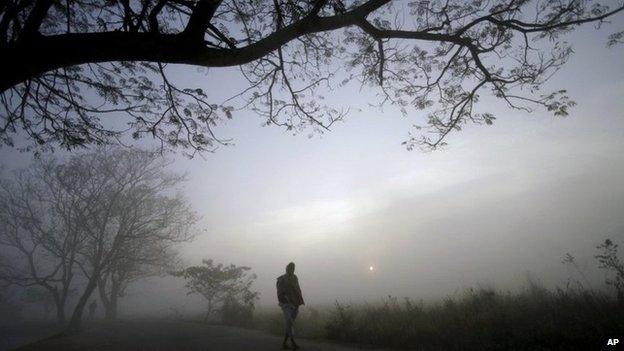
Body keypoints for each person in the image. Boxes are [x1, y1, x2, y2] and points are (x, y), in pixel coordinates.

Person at [276, 262, 304, 350]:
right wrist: (286, 301)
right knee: (289, 321)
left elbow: (298, 290)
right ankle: (292, 342)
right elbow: (279, 293)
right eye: (290, 268)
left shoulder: (295, 278)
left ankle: (284, 343)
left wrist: (298, 302)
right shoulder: (281, 279)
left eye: (293, 268)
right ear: (287, 269)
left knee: (289, 324)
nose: (292, 270)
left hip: (295, 304)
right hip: (286, 305)